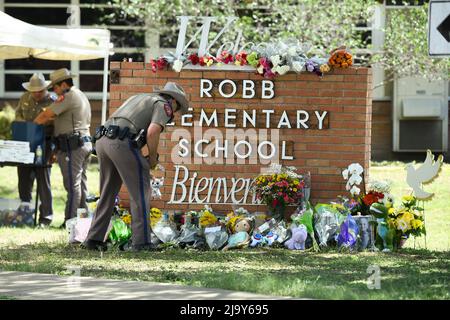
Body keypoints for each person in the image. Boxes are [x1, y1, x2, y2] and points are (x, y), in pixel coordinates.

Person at [82, 82, 189, 251]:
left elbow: (132, 129)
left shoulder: (139, 98)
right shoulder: (163, 105)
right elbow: (152, 132)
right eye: (177, 108)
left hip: (102, 141)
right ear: (174, 101)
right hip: (122, 144)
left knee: (107, 193)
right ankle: (142, 242)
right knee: (141, 192)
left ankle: (93, 239)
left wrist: (140, 161)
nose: (174, 112)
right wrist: (152, 159)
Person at [34, 68, 92, 228]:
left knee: (72, 185)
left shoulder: (68, 96)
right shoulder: (80, 94)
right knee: (81, 184)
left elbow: (44, 116)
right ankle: (82, 218)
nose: (54, 91)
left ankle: (70, 221)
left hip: (73, 145)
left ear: (64, 84)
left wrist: (32, 126)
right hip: (84, 143)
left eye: (55, 87)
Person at [15, 73, 55, 226]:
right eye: (34, 90)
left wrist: (54, 150)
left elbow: (56, 125)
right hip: (26, 142)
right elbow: (18, 113)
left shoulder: (53, 101)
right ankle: (26, 214)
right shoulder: (25, 98)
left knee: (43, 181)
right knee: (23, 177)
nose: (37, 93)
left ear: (45, 89)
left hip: (45, 142)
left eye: (40, 90)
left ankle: (46, 218)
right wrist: (24, 125)